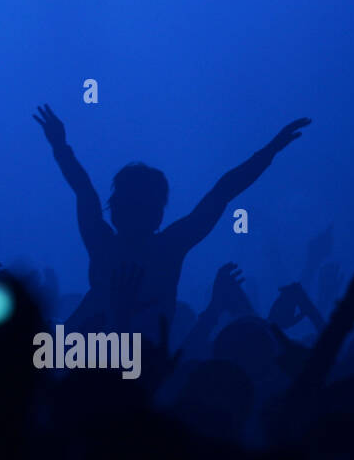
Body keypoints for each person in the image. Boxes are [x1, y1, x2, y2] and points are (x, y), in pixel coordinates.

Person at [33, 104, 310, 333]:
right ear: (158, 213)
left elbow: (83, 189)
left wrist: (60, 146)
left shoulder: (108, 242)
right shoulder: (167, 247)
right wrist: (271, 149)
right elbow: (224, 191)